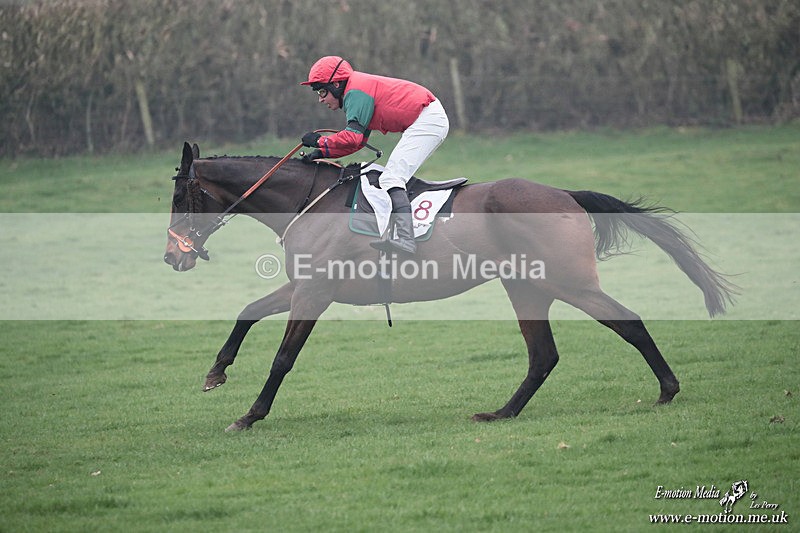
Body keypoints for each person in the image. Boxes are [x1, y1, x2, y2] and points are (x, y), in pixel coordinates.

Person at [300, 56, 449, 254]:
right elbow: (358, 142)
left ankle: (406, 238)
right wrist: (320, 152)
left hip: (428, 120)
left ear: (336, 84)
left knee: (391, 177)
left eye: (322, 91)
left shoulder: (356, 91)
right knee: (392, 177)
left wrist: (320, 141)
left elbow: (352, 139)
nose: (320, 99)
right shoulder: (356, 90)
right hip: (426, 118)